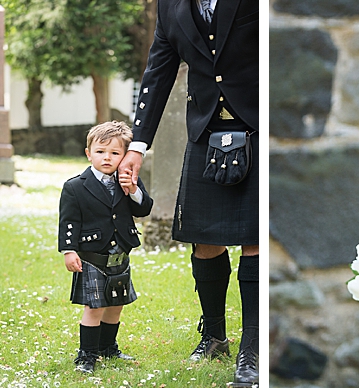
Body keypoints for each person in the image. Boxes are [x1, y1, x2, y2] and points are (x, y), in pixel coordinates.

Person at [117, 0, 259, 385]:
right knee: (204, 239)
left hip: (260, 127)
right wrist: (137, 145)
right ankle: (214, 336)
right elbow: (158, 71)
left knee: (254, 240)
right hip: (205, 131)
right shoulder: (170, 7)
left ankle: (254, 348)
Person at [59, 121, 154, 373]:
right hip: (92, 257)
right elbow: (68, 222)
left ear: (125, 156)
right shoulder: (75, 186)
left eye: (115, 153)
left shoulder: (129, 180)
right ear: (89, 153)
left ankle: (108, 348)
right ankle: (87, 355)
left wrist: (133, 189)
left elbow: (144, 208)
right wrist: (69, 251)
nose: (107, 158)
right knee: (94, 307)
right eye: (100, 152)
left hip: (120, 255)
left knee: (116, 304)